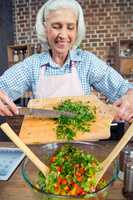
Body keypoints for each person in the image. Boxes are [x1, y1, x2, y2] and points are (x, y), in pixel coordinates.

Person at [0, 0, 133, 122]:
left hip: (84, 144)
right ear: (45, 29)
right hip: (43, 145)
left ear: (76, 30)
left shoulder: (87, 62)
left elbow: (124, 89)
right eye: (56, 26)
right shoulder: (32, 65)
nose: (63, 35)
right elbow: (3, 87)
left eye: (70, 27)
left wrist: (130, 96)